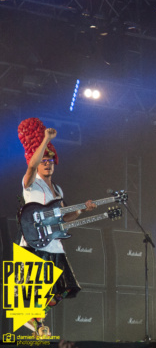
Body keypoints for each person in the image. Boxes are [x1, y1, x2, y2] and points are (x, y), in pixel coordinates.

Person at [17, 119, 96, 336]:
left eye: (50, 160)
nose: (47, 163)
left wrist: (81, 210)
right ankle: (36, 325)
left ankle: (37, 322)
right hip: (35, 242)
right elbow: (31, 165)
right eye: (43, 160)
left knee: (61, 287)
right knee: (32, 289)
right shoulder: (31, 182)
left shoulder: (58, 189)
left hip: (54, 245)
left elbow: (64, 218)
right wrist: (46, 139)